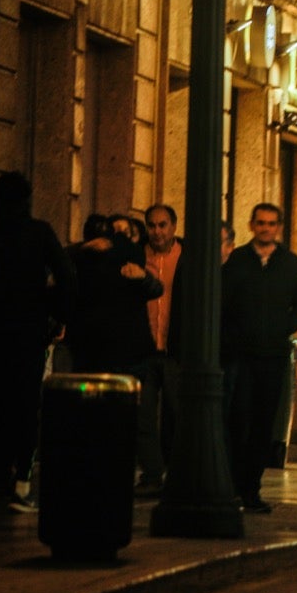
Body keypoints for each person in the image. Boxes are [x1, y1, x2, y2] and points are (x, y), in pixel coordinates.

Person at [0, 173, 74, 514]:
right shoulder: (40, 233)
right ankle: (20, 485)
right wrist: (57, 315)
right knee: (24, 407)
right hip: (28, 331)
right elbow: (66, 275)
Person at [221, 203, 297, 512]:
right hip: (242, 356)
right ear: (251, 225)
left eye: (271, 223)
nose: (265, 228)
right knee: (238, 421)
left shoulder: (291, 264)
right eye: (260, 223)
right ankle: (235, 486)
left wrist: (282, 328)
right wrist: (234, 334)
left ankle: (251, 488)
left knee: (263, 424)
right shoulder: (236, 261)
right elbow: (223, 301)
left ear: (279, 227)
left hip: (272, 355)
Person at [64, 213, 163, 375]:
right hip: (105, 347)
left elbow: (156, 288)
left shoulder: (135, 263)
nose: (119, 238)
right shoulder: (91, 259)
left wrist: (143, 277)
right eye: (116, 231)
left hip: (124, 350)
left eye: (125, 232)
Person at [136, 203, 182, 494]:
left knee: (178, 414)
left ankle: (176, 474)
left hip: (176, 349)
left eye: (162, 225)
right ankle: (152, 474)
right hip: (145, 347)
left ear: (173, 227)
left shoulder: (188, 256)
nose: (157, 231)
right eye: (151, 225)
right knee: (143, 417)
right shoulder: (138, 255)